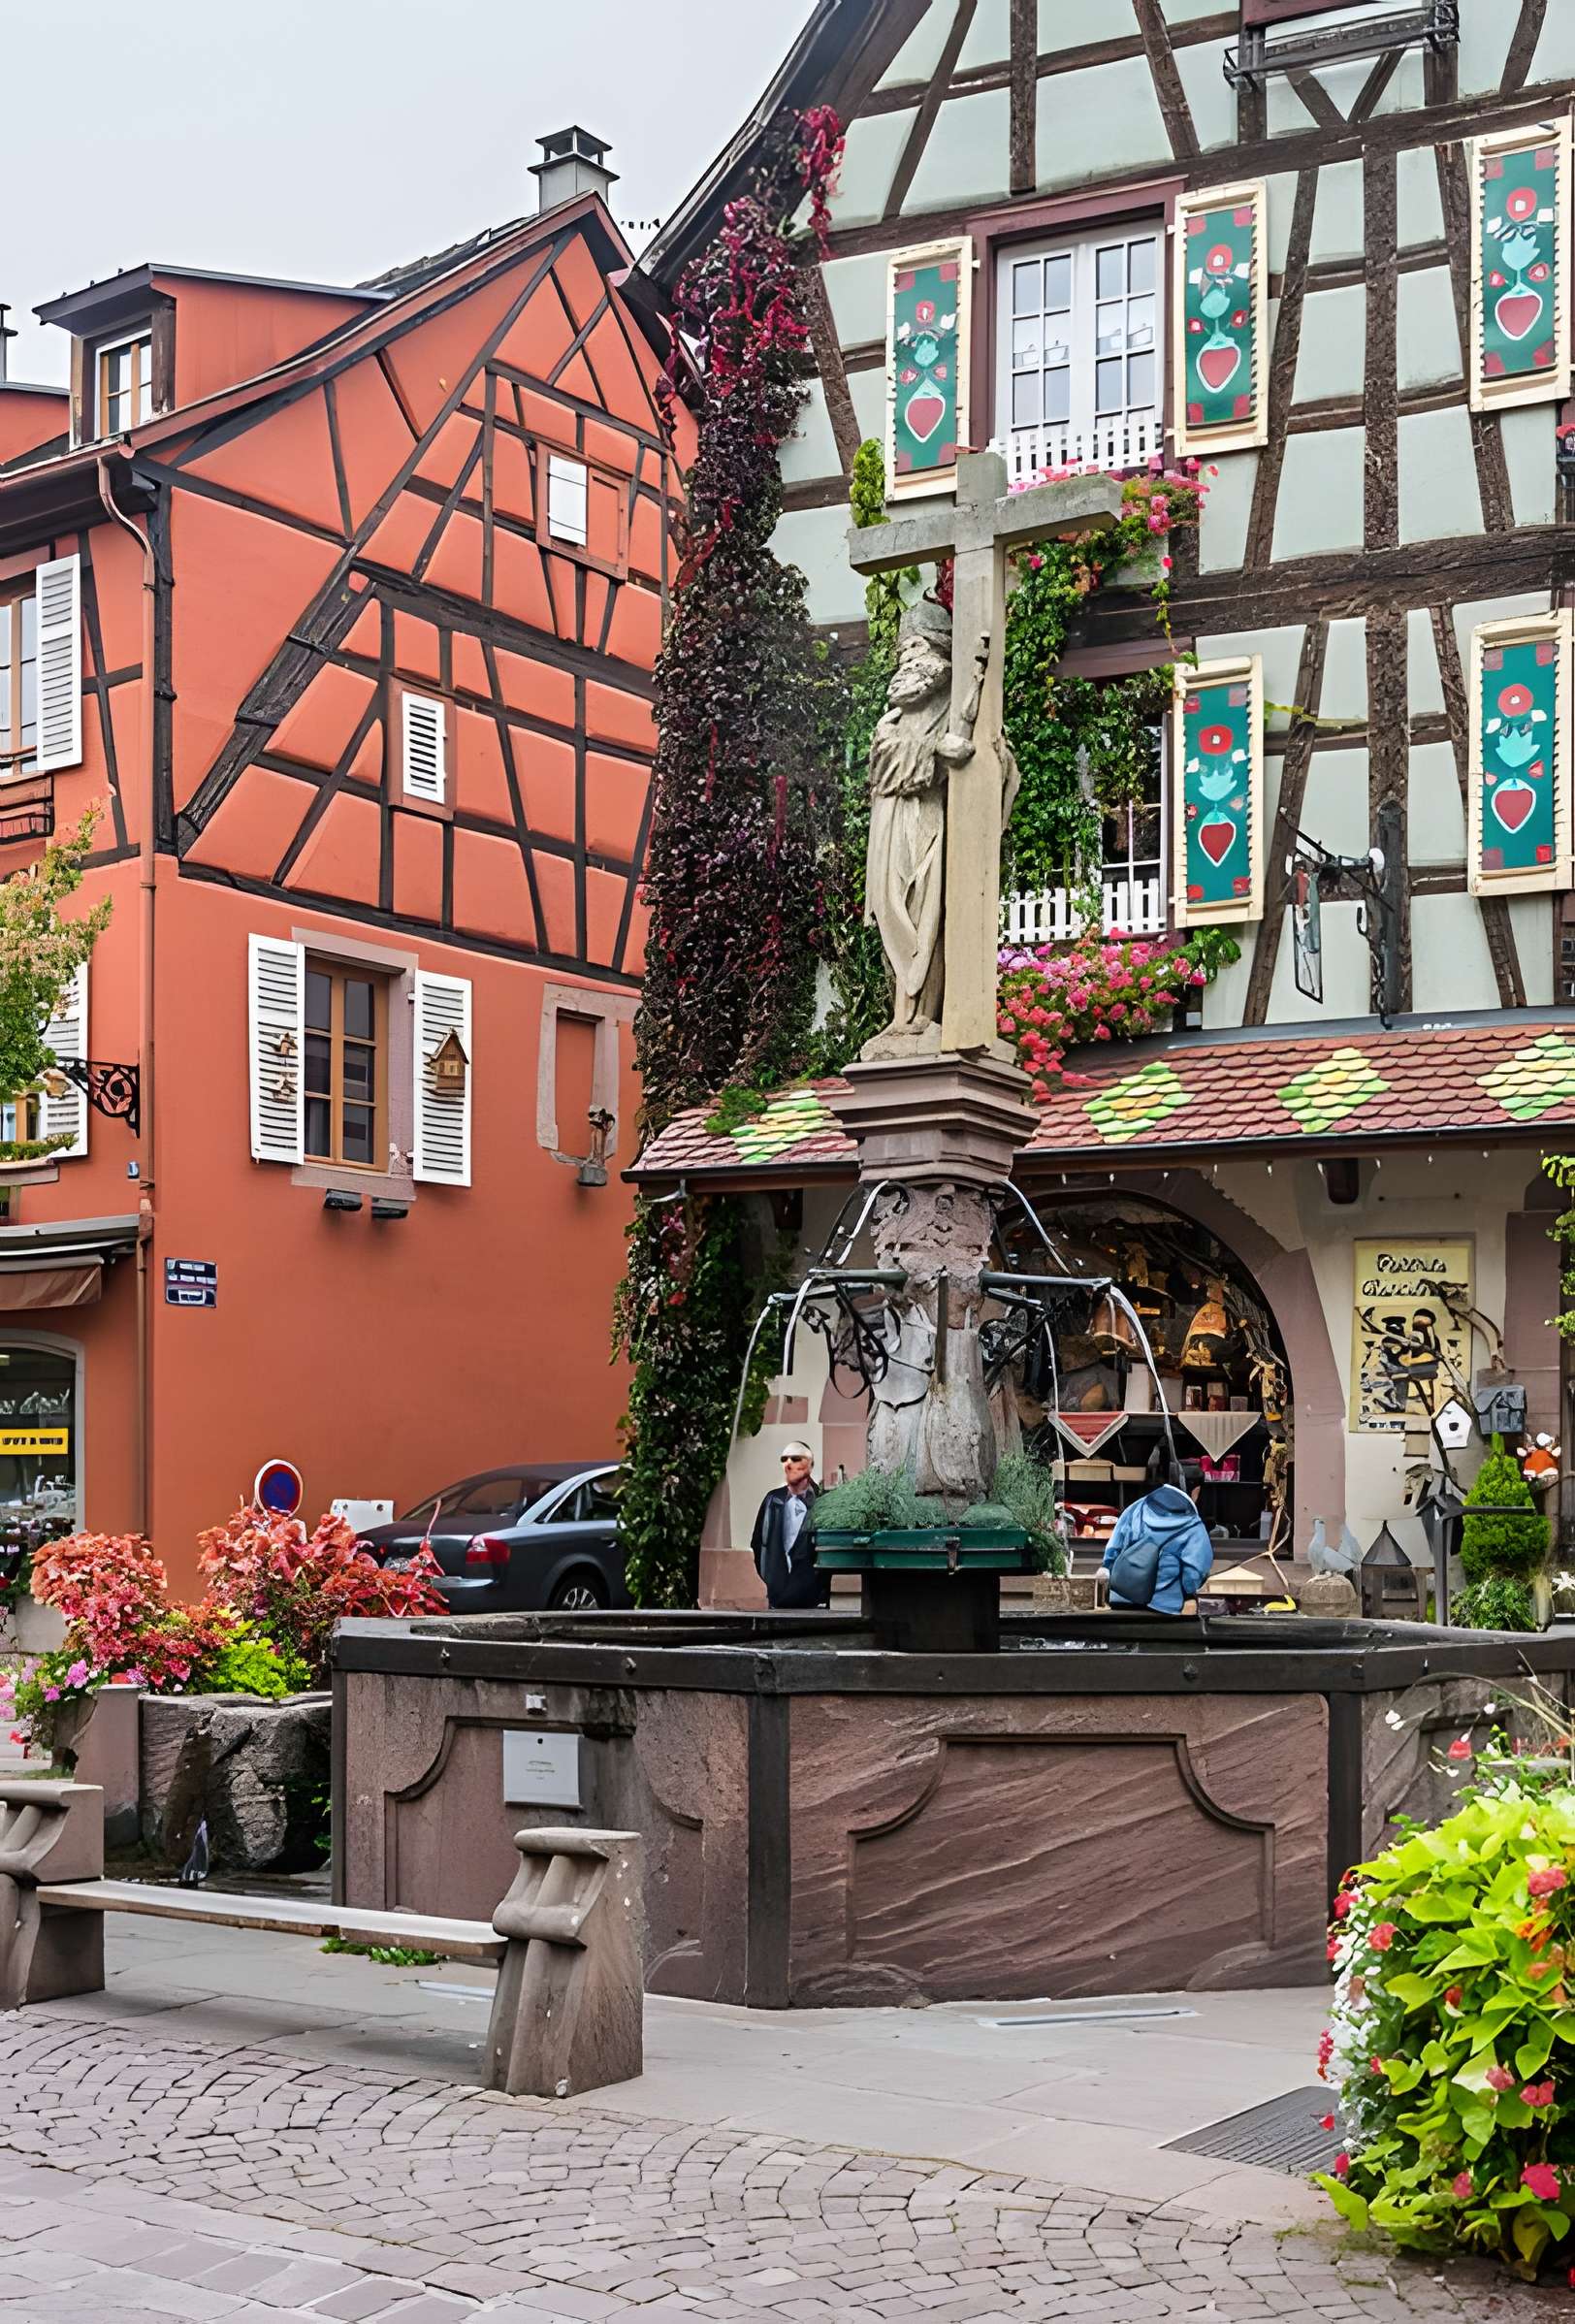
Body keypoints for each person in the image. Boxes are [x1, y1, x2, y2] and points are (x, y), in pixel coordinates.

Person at [1099, 1459, 1213, 1615]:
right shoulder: (1194, 1527)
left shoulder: (1136, 1508)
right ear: (1196, 1491)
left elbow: (1111, 1554)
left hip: (1120, 1599)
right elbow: (1192, 1579)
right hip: (1164, 1608)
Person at [751, 1441, 825, 1611]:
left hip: (811, 1600)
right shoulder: (772, 1500)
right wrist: (771, 1579)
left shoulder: (822, 1502)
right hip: (777, 1598)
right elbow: (758, 1543)